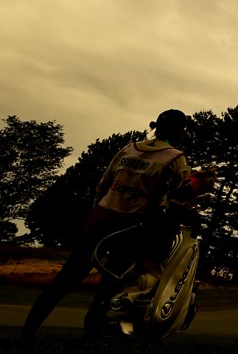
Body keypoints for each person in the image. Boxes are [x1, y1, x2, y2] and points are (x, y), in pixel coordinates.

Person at [20, 108, 217, 341]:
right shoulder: (175, 157)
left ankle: (28, 331)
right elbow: (179, 191)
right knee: (110, 284)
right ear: (179, 131)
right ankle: (91, 334)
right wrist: (203, 183)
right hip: (130, 226)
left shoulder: (129, 149)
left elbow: (103, 186)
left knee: (65, 280)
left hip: (100, 218)